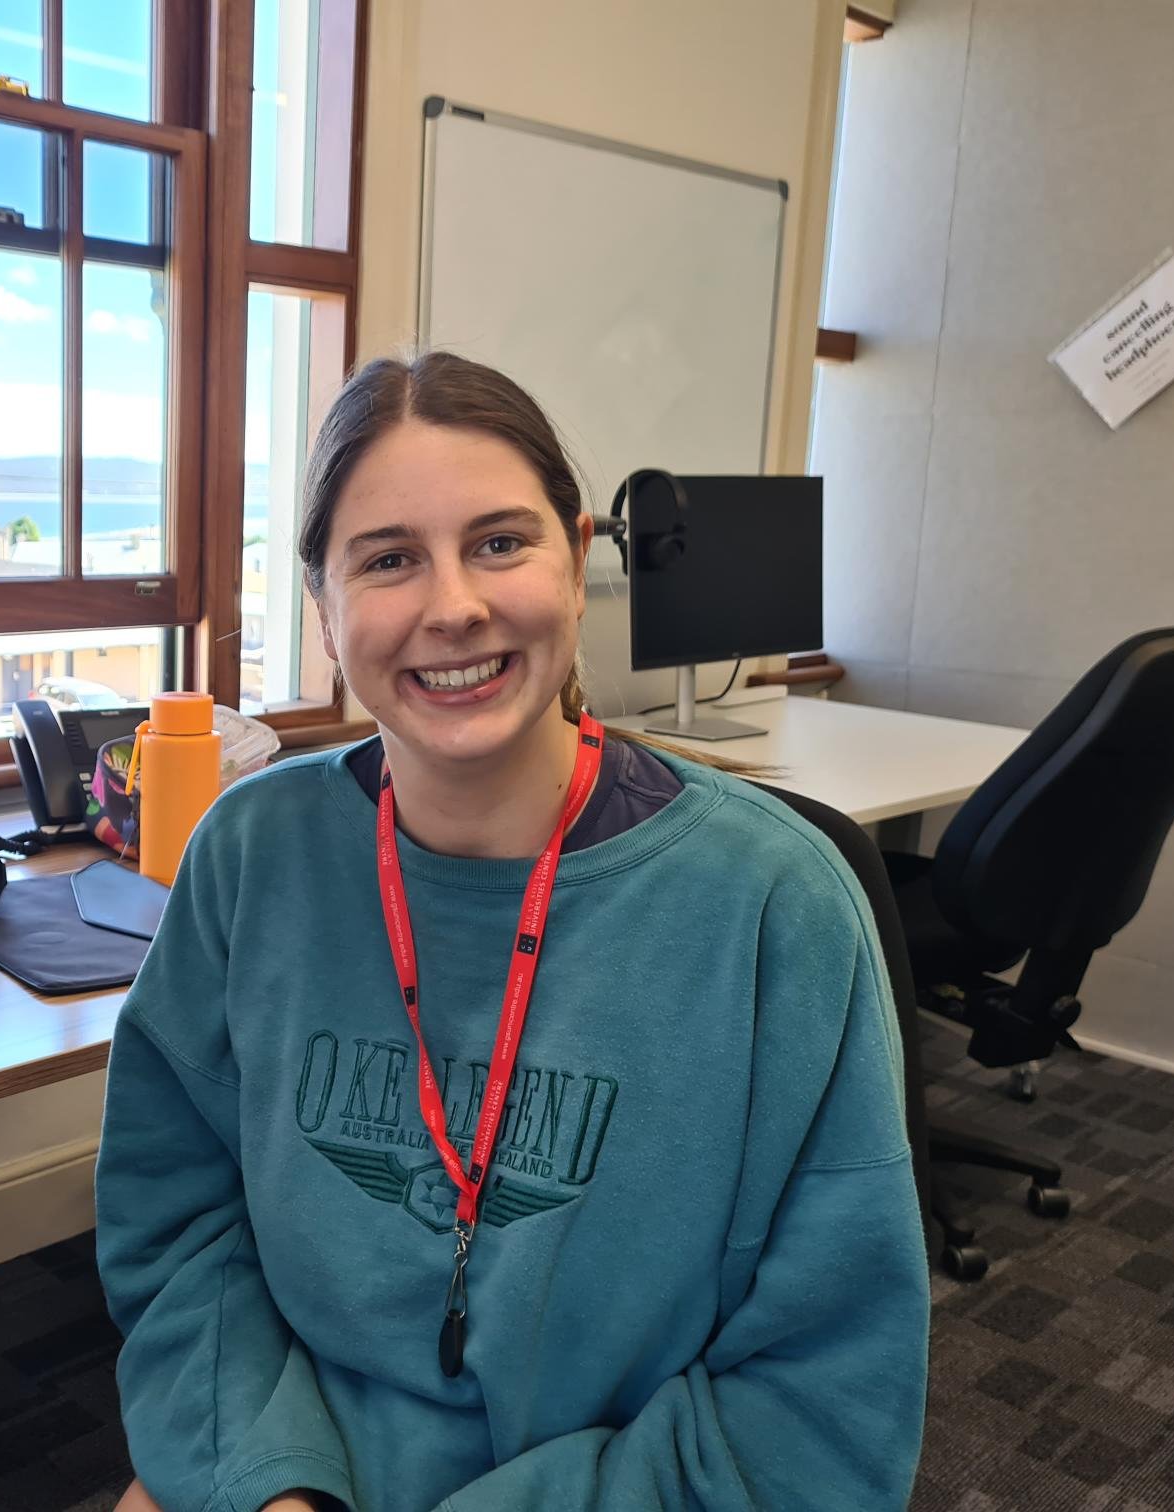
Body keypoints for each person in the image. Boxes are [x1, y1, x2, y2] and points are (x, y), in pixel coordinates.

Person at [95, 351, 929, 1512]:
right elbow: (176, 1225)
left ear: (578, 562)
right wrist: (269, 1485)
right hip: (295, 1468)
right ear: (326, 618)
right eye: (389, 560)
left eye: (500, 542)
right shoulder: (252, 853)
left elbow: (821, 1401)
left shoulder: (773, 904)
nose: (454, 606)